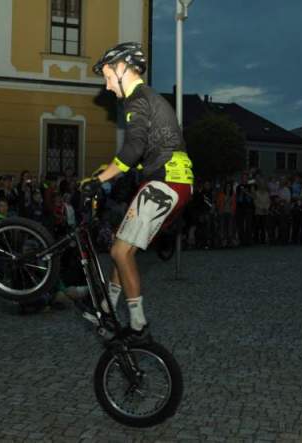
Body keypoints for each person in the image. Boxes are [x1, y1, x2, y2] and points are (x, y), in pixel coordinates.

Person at [79, 42, 194, 342]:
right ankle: (107, 307)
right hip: (170, 180)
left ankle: (139, 325)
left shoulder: (137, 99)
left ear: (122, 68)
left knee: (120, 251)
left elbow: (132, 150)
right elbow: (145, 150)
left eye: (107, 77)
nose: (107, 86)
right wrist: (108, 171)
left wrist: (100, 179)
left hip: (166, 181)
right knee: (123, 247)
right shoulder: (147, 98)